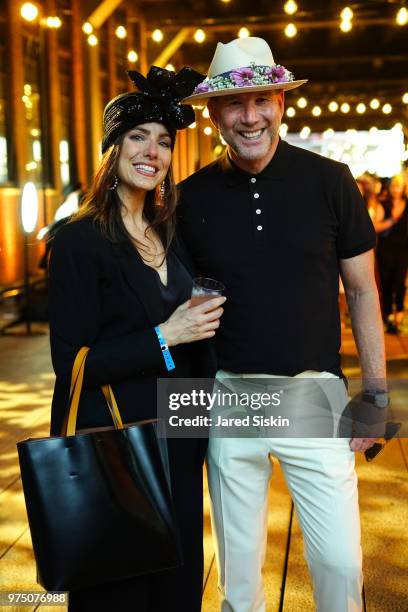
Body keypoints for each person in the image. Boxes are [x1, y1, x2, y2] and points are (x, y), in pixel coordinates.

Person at [178, 37, 387, 612]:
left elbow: (364, 290)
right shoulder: (189, 198)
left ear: (281, 104)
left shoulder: (331, 180)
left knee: (341, 564)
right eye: (236, 104)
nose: (251, 116)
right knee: (238, 579)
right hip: (230, 397)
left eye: (263, 99)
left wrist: (374, 394)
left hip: (312, 393)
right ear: (214, 113)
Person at [48, 66, 226, 612]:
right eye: (138, 136)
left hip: (177, 434)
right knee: (121, 591)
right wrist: (164, 335)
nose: (153, 151)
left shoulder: (168, 232)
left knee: (176, 585)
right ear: (113, 149)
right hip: (117, 447)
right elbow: (73, 364)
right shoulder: (79, 240)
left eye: (164, 141)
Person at [374, 174, 408, 333]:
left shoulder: (406, 204)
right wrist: (392, 220)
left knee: (400, 281)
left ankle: (399, 314)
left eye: (398, 186)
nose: (395, 189)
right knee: (386, 282)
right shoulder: (384, 204)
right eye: (393, 186)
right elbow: (375, 227)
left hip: (403, 248)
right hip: (386, 249)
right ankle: (387, 315)